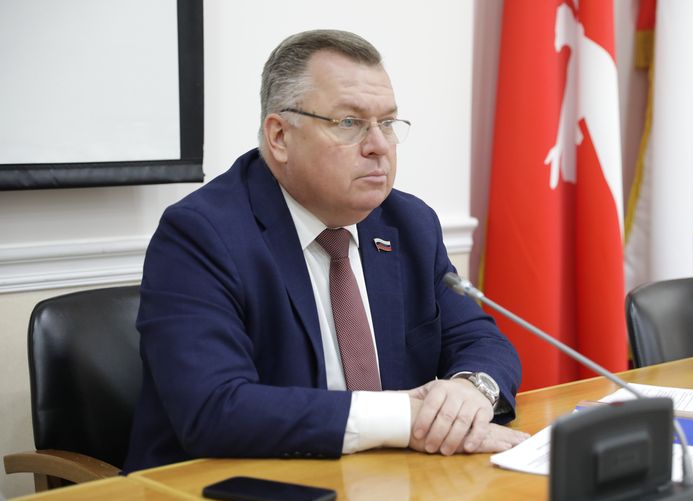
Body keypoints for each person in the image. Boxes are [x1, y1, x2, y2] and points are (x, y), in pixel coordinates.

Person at [123, 29, 526, 472]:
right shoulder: (202, 234)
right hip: (227, 489)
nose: (379, 146)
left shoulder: (408, 224)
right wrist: (403, 419)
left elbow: (481, 341)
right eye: (350, 123)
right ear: (280, 136)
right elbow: (214, 408)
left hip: (385, 482)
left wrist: (472, 389)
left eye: (388, 123)